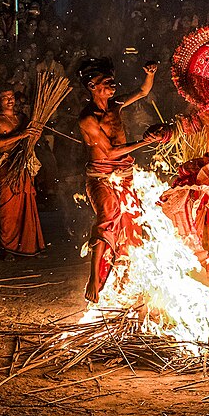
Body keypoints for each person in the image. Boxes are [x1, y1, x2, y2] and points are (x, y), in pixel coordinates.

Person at [77, 57, 164, 302]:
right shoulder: (88, 119)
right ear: (92, 86)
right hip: (101, 177)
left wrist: (150, 74)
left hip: (124, 174)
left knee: (130, 223)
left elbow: (143, 91)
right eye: (106, 82)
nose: (112, 85)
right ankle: (94, 279)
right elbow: (110, 153)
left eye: (112, 81)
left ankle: (126, 277)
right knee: (106, 220)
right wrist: (146, 141)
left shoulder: (115, 104)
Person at [0, 85, 45, 257]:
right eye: (5, 97)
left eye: (11, 96)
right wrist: (22, 134)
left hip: (23, 164)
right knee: (7, 207)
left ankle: (30, 244)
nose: (10, 100)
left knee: (27, 204)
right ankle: (8, 246)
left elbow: (32, 138)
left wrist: (35, 134)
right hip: (6, 164)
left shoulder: (23, 118)